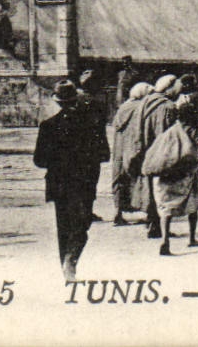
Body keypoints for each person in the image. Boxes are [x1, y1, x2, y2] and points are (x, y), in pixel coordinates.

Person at [34, 81, 109, 280]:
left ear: (57, 102)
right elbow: (105, 154)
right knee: (82, 224)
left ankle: (66, 268)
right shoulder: (91, 124)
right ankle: (71, 259)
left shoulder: (48, 126)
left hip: (58, 184)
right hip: (84, 182)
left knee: (63, 226)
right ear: (76, 99)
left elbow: (39, 160)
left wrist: (58, 160)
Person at [152, 94, 198, 256]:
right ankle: (191, 238)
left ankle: (165, 241)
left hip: (166, 175)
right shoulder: (195, 134)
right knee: (193, 207)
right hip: (186, 176)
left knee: (166, 209)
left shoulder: (169, 131)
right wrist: (193, 171)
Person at [133, 74, 179, 238]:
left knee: (149, 187)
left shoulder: (146, 101)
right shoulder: (168, 106)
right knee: (162, 189)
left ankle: (151, 223)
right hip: (160, 152)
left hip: (145, 150)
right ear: (169, 87)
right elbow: (168, 134)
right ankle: (159, 227)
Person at [110, 82, 151, 225]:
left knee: (119, 179)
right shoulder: (141, 108)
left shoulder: (124, 106)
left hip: (119, 149)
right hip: (133, 147)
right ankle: (147, 213)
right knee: (140, 179)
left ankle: (118, 213)